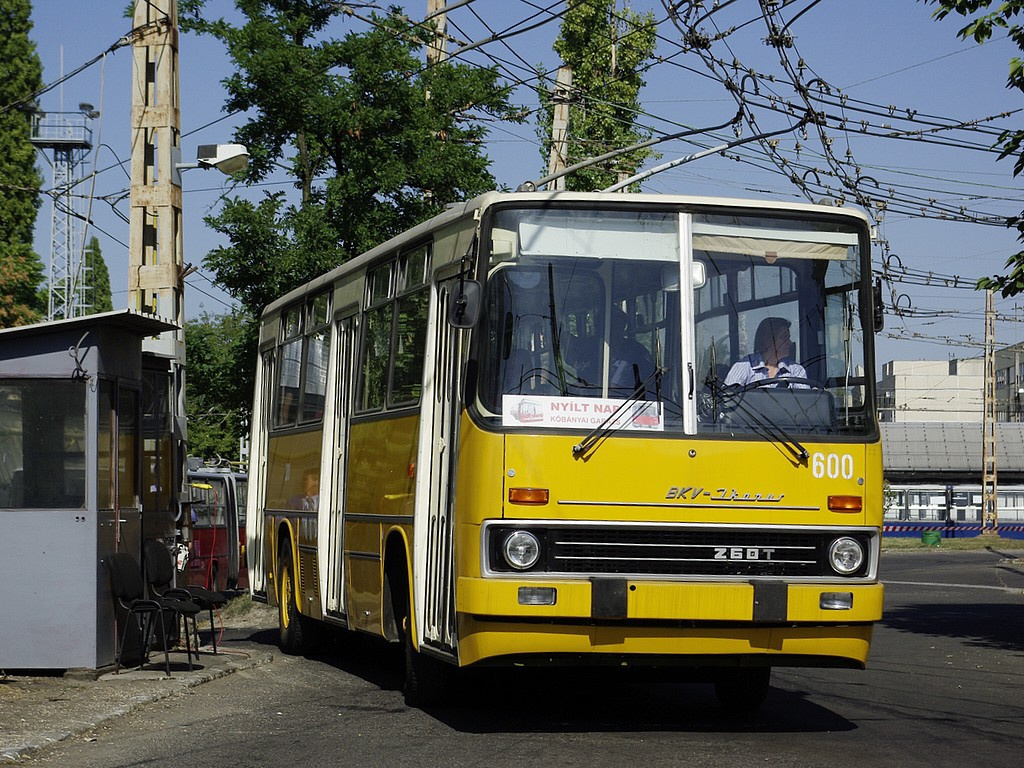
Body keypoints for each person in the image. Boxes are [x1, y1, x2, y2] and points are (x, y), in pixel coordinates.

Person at [724, 316, 807, 387]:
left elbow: (805, 403)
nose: (789, 343)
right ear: (768, 340)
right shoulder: (745, 366)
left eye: (788, 338)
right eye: (784, 338)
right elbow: (727, 399)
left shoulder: (796, 370)